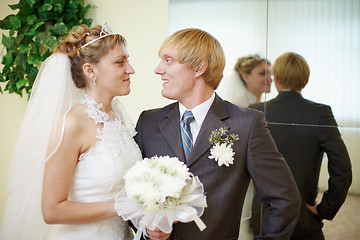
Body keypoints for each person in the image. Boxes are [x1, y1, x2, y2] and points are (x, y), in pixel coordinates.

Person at [134, 28, 301, 240]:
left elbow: (283, 199)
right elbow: (130, 192)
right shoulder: (148, 122)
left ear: (198, 67)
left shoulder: (247, 124)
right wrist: (147, 227)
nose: (158, 69)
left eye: (168, 60)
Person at [0, 24, 142, 240]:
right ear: (90, 70)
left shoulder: (118, 117)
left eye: (127, 61)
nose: (130, 69)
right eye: (120, 62)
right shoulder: (73, 123)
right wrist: (121, 207)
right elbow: (52, 210)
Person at [250, 52, 352, 240]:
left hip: (263, 214)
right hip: (303, 216)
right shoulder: (321, 113)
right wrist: (326, 208)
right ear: (305, 79)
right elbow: (343, 168)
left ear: (277, 78)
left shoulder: (255, 112)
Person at [216, 54, 273, 240]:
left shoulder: (264, 105)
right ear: (246, 77)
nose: (269, 79)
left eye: (271, 74)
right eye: (263, 73)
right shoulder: (240, 103)